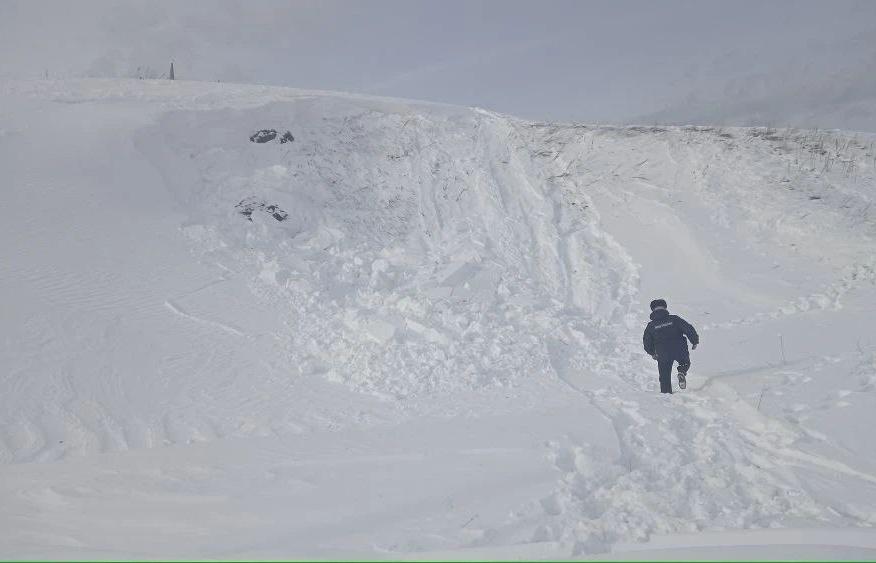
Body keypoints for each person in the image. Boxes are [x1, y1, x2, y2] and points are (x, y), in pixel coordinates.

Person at [642, 299, 699, 393]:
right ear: (665, 307)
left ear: (652, 310)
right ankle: (682, 371)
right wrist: (694, 341)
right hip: (679, 348)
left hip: (662, 352)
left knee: (664, 375)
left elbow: (647, 341)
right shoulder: (674, 319)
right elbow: (688, 328)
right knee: (685, 362)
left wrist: (652, 352)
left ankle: (666, 394)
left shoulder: (651, 326)